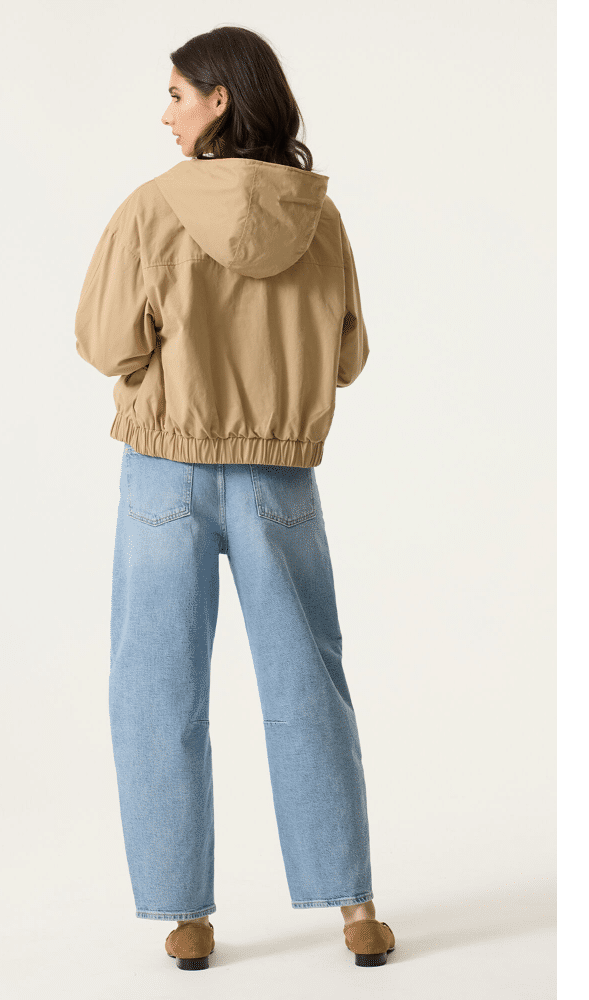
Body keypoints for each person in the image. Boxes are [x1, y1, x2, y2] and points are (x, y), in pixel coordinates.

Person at [74, 25, 395, 971]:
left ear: (220, 100)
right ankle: (356, 910)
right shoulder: (318, 218)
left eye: (178, 94)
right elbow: (348, 357)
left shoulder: (152, 208)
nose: (165, 113)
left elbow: (106, 343)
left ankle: (185, 915)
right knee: (308, 685)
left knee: (156, 689)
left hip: (164, 470)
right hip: (278, 475)